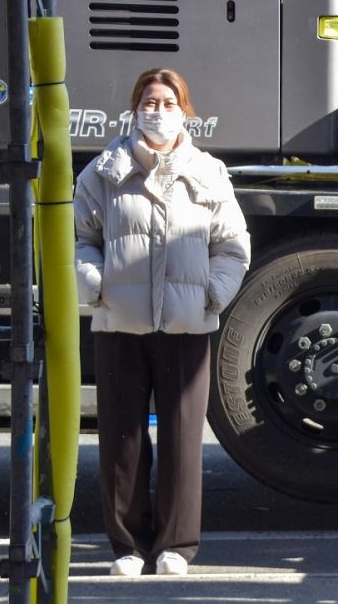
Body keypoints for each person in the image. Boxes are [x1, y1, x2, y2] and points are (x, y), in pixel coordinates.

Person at [74, 68, 251, 576]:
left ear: (184, 110)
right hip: (120, 323)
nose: (158, 110)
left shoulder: (208, 171)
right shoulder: (103, 171)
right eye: (149, 101)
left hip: (186, 326)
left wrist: (212, 295)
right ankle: (128, 548)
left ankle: (176, 545)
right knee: (122, 440)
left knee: (181, 437)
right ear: (134, 109)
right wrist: (95, 284)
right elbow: (80, 236)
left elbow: (232, 245)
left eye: (168, 102)